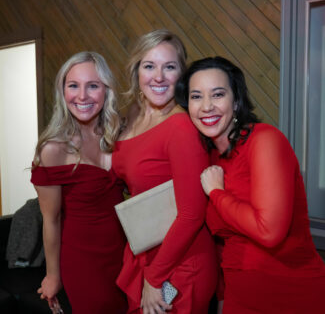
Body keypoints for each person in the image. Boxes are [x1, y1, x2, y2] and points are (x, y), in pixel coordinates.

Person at [175, 56, 325, 314]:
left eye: (218, 94)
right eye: (196, 96)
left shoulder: (265, 141)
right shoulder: (208, 158)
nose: (207, 106)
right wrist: (222, 296)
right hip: (239, 296)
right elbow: (221, 241)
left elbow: (269, 232)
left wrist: (217, 193)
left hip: (291, 292)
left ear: (236, 100)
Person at [112, 29, 219, 314]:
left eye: (169, 67)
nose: (158, 77)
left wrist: (154, 276)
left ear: (181, 75)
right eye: (149, 66)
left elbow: (192, 214)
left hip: (179, 262)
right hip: (145, 250)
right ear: (137, 71)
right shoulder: (133, 113)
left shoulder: (181, 128)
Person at [31, 51, 128, 314]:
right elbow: (50, 220)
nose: (82, 96)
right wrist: (53, 275)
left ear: (106, 91)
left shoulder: (118, 135)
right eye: (73, 85)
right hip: (85, 261)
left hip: (126, 255)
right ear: (63, 92)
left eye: (93, 86)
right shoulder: (53, 150)